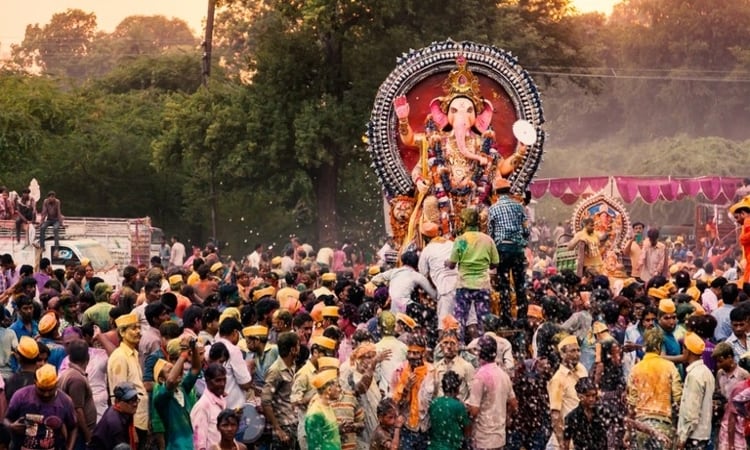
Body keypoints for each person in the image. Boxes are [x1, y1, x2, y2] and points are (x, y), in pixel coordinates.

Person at [393, 55, 526, 242]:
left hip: (475, 200)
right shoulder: (436, 141)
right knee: (430, 204)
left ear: (479, 117)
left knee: (486, 214)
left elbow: (502, 169)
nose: (461, 116)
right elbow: (408, 140)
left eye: (468, 111)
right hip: (442, 200)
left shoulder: (482, 144)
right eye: (454, 111)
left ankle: (482, 251)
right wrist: (404, 120)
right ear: (444, 115)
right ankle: (437, 250)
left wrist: (520, 152)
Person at [446, 208, 499, 338]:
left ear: (464, 222)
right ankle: (485, 345)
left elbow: (452, 264)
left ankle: (459, 345)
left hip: (464, 285)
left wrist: (448, 263)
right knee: (484, 319)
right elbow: (495, 263)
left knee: (460, 319)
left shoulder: (462, 240)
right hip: (482, 285)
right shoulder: (487, 240)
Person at [626, 328, 681, 449]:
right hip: (663, 424)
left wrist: (628, 432)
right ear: (660, 346)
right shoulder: (669, 366)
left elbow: (631, 402)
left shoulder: (636, 368)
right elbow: (678, 398)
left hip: (641, 424)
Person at [4, 364, 77, 450]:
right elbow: (6, 419)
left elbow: (73, 427)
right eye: (41, 390)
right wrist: (11, 426)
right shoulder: (21, 396)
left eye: (50, 390)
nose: (46, 394)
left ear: (56, 384)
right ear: (35, 382)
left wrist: (69, 448)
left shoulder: (65, 401)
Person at [488, 177, 530, 322]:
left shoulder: (493, 209)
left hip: (502, 250)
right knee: (520, 284)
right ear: (509, 191)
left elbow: (491, 233)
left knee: (504, 285)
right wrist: (522, 241)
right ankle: (522, 317)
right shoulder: (519, 207)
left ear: (495, 192)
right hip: (517, 250)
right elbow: (526, 230)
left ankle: (506, 318)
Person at [106, 313, 149, 449]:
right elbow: (119, 397)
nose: (138, 332)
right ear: (122, 332)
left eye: (139, 328)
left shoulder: (133, 354)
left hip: (140, 419)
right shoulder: (120, 357)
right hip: (131, 422)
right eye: (133, 328)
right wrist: (131, 429)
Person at [152, 335, 203, 450]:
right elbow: (170, 380)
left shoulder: (183, 389)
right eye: (170, 371)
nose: (176, 371)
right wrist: (183, 354)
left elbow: (195, 369)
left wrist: (193, 347)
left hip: (193, 445)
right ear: (161, 380)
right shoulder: (161, 398)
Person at [466, 335, 516, 450]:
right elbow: (514, 404)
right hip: (500, 437)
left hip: (484, 438)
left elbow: (474, 411)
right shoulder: (504, 375)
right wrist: (507, 417)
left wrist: (465, 406)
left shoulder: (480, 376)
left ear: (479, 353)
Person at [547, 335, 588, 449]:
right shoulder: (557, 379)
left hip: (583, 435)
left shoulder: (582, 369)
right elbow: (555, 415)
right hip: (567, 437)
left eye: (578, 350)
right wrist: (562, 443)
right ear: (562, 354)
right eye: (572, 351)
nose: (577, 354)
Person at [392, 335, 432, 450]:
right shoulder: (401, 372)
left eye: (415, 353)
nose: (411, 356)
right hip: (408, 428)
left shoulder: (432, 373)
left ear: (423, 354)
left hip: (425, 428)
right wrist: (407, 388)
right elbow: (396, 403)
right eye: (409, 352)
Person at [676, 332, 715, 450]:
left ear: (687, 350)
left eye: (683, 348)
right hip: (703, 434)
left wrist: (682, 438)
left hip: (693, 436)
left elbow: (691, 411)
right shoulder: (706, 372)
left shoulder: (694, 375)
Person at [261, 331, 300, 449]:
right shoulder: (275, 371)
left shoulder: (293, 366)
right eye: (298, 346)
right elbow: (265, 401)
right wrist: (277, 429)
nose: (300, 348)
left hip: (294, 424)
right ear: (292, 350)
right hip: (283, 427)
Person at [417, 222, 458, 330]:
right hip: (462, 286)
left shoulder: (427, 251)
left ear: (425, 237)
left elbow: (423, 275)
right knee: (466, 323)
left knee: (444, 326)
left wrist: (433, 293)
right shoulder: (452, 244)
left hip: (445, 290)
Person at [58, 339, 96, 449]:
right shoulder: (76, 378)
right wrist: (88, 436)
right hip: (79, 435)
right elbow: (78, 410)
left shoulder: (70, 373)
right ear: (87, 358)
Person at [88, 381, 140, 450]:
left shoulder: (124, 411)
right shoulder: (115, 424)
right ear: (117, 402)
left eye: (136, 400)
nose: (135, 404)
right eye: (130, 401)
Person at [427, 370, 471, 450]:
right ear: (457, 388)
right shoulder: (458, 406)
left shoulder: (434, 403)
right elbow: (467, 429)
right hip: (452, 447)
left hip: (434, 446)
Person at [563, 377, 607, 450]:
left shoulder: (602, 412)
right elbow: (566, 443)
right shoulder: (572, 417)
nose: (591, 399)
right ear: (579, 396)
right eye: (587, 396)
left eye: (593, 395)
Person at [304, 370, 342, 450]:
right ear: (329, 390)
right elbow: (314, 446)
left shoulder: (327, 406)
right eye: (337, 386)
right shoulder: (315, 413)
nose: (340, 390)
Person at [729, 195, 750, 288]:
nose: (737, 221)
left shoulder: (747, 221)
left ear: (743, 214)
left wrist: (742, 239)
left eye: (737, 217)